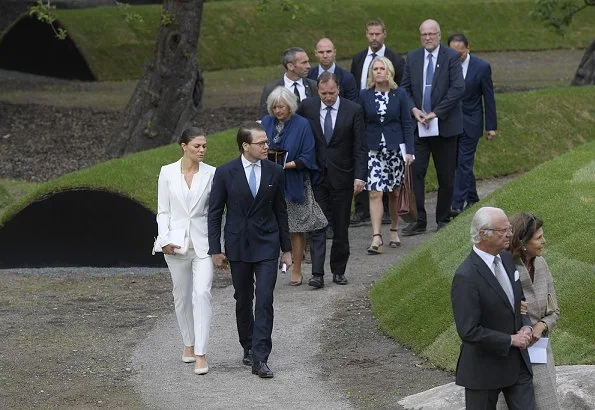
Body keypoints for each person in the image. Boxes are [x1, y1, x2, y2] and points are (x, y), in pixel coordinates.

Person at [207, 121, 292, 379]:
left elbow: (281, 211)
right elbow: (215, 213)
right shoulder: (225, 173)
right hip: (238, 244)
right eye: (261, 143)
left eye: (266, 142)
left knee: (265, 298)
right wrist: (215, 249)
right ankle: (248, 344)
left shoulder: (275, 172)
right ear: (245, 146)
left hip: (267, 243)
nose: (267, 146)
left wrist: (286, 249)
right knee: (243, 299)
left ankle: (260, 357)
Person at [451, 207, 536, 409]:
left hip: (517, 366)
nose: (509, 234)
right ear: (483, 234)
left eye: (509, 229)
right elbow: (468, 330)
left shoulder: (506, 259)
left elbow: (519, 302)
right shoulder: (466, 276)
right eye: (503, 231)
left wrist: (526, 326)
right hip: (483, 370)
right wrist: (510, 340)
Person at [154, 127, 215, 375]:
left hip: (204, 244)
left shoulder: (212, 173)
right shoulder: (167, 172)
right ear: (183, 146)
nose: (201, 150)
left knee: (202, 294)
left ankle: (201, 353)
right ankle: (188, 344)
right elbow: (163, 210)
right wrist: (164, 239)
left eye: (204, 146)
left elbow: (215, 211)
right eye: (196, 146)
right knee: (181, 295)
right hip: (175, 244)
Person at [297, 72, 367, 288]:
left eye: (332, 93)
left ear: (339, 90)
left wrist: (360, 176)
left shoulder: (352, 110)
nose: (327, 97)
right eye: (323, 93)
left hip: (343, 176)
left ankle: (339, 270)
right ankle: (317, 273)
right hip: (317, 175)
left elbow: (360, 146)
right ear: (318, 90)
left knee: (340, 226)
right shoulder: (308, 107)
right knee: (317, 225)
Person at [400, 19, 465, 235]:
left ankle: (443, 217)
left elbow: (457, 88)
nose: (427, 38)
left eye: (431, 34)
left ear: (439, 34)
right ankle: (419, 220)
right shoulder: (413, 57)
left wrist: (436, 113)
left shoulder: (451, 57)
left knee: (446, 176)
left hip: (444, 126)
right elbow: (404, 89)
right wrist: (414, 110)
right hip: (419, 126)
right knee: (416, 172)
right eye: (424, 34)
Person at [261, 86, 327, 286]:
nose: (278, 111)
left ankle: (296, 268)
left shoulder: (302, 125)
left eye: (282, 107)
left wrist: (284, 165)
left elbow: (308, 156)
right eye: (274, 107)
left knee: (295, 229)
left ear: (290, 106)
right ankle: (271, 267)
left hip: (294, 182)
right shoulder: (266, 123)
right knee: (271, 228)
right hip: (270, 183)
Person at [496, 213, 560, 409]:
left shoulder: (541, 264)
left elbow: (554, 311)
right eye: (539, 238)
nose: (544, 242)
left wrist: (541, 326)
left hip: (540, 353)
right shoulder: (504, 267)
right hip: (512, 356)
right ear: (523, 242)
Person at [350, 19, 406, 226]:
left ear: (384, 34)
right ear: (366, 34)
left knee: (391, 185)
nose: (374, 37)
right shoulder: (358, 59)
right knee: (365, 171)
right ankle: (363, 210)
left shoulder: (395, 59)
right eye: (370, 34)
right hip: (366, 119)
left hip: (390, 127)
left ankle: (389, 220)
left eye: (377, 34)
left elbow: (401, 87)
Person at [359, 57, 414, 254]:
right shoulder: (364, 96)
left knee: (394, 192)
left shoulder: (399, 94)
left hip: (394, 150)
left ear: (389, 72)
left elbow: (407, 123)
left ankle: (393, 229)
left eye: (382, 68)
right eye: (375, 69)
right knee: (375, 192)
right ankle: (376, 236)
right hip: (373, 151)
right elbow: (361, 124)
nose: (379, 72)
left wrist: (409, 151)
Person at [448, 33, 497, 216]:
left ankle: (456, 204)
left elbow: (489, 98)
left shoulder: (482, 67)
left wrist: (491, 126)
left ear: (467, 49)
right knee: (455, 163)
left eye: (459, 53)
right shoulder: (445, 65)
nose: (456, 57)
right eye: (453, 53)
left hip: (471, 122)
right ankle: (473, 198)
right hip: (451, 123)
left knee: (464, 163)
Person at [259, 47, 318, 118]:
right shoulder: (270, 89)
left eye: (308, 62)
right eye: (304, 63)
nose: (309, 66)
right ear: (290, 66)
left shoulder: (314, 86)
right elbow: (264, 118)